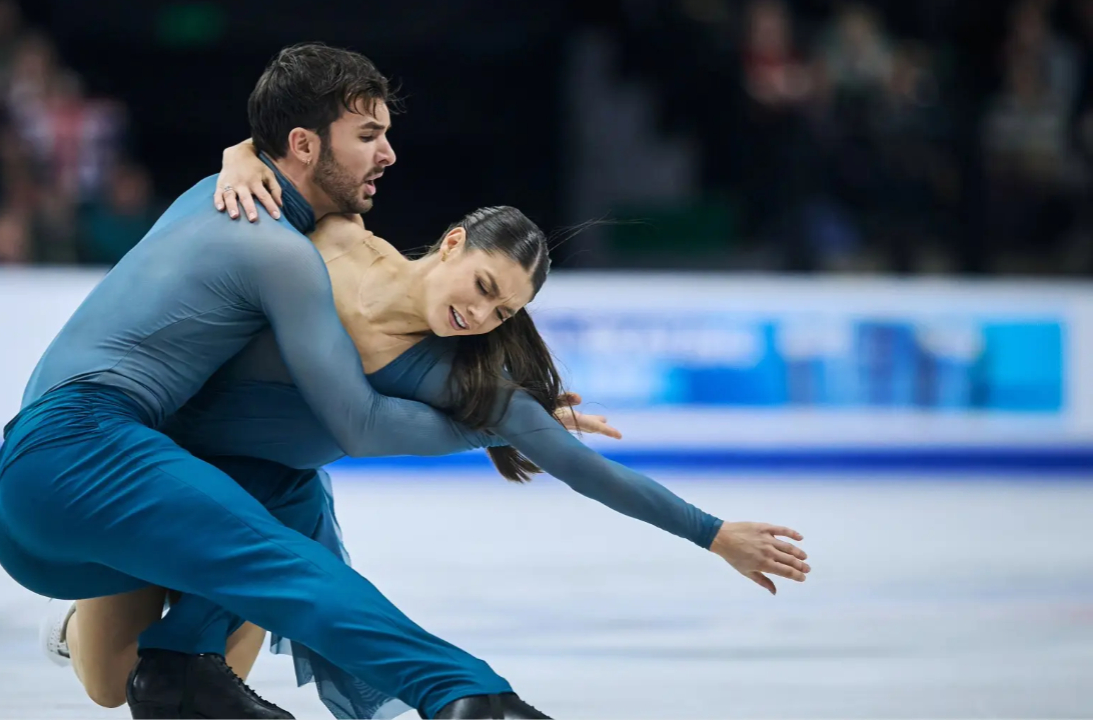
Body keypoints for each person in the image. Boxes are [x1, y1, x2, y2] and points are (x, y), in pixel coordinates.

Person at [41, 150, 811, 719]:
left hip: (258, 504)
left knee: (167, 678)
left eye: (502, 312)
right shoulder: (339, 237)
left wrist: (712, 533)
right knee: (109, 679)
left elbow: (586, 471)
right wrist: (239, 158)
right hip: (150, 461)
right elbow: (292, 160)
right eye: (482, 286)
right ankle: (80, 626)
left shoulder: (459, 384)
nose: (480, 315)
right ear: (450, 243)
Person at [0, 42, 548, 720]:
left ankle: (172, 663)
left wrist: (242, 152)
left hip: (165, 467)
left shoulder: (305, 214)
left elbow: (274, 150)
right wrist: (503, 426)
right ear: (306, 145)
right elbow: (359, 423)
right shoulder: (262, 227)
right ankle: (463, 692)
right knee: (248, 582)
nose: (389, 154)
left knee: (287, 505)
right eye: (368, 135)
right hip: (94, 446)